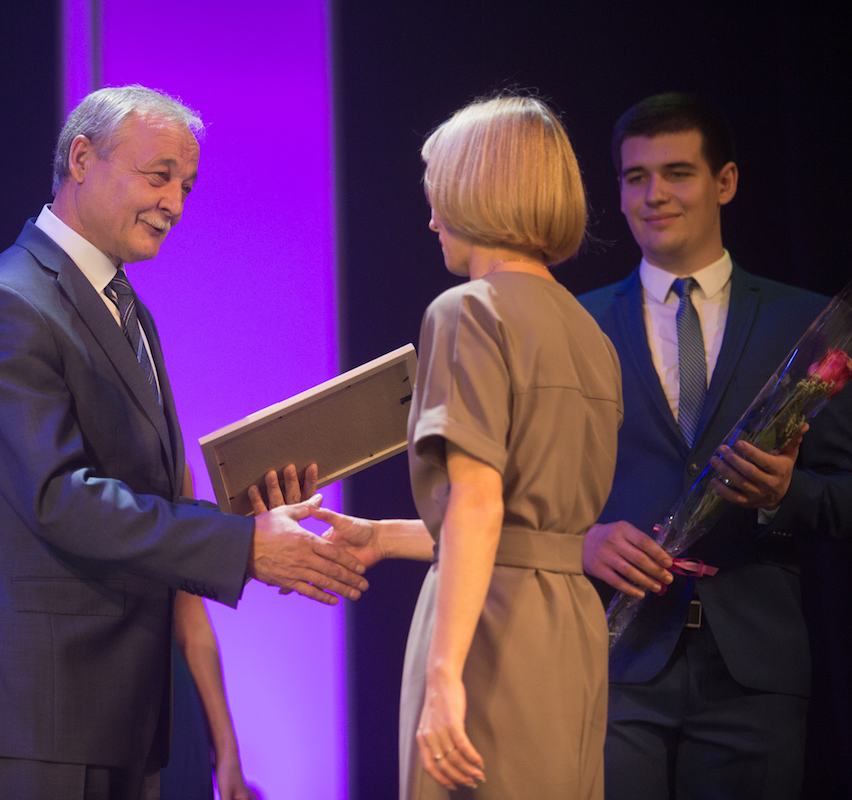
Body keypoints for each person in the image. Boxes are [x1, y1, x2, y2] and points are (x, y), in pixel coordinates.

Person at [0, 85, 367, 800]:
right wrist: (243, 547)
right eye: (159, 176)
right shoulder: (3, 303)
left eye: (186, 186)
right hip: (41, 710)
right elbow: (60, 499)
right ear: (81, 159)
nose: (176, 204)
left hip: (126, 709)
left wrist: (250, 516)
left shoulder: (126, 306)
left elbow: (147, 490)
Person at [303, 94, 624, 799]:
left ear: (479, 190)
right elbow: (529, 526)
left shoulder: (468, 312)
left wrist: (445, 675)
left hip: (489, 630)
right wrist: (385, 536)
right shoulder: (590, 334)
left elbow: (479, 504)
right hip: (570, 630)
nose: (431, 219)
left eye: (438, 194)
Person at [577, 92, 852, 800]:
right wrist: (583, 541)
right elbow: (521, 494)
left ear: (724, 181)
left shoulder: (803, 322)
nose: (654, 195)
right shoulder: (575, 325)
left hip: (754, 673)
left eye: (677, 173)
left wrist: (785, 494)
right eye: (636, 177)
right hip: (616, 660)